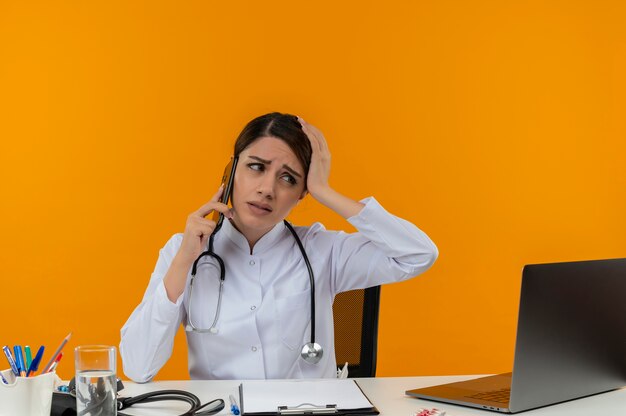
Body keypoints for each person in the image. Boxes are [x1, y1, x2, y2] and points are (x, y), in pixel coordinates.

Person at [120, 112, 438, 382]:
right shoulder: (184, 251)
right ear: (231, 172)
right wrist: (182, 263)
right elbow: (138, 367)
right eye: (256, 167)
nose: (267, 189)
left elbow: (419, 254)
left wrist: (325, 191)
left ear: (302, 193)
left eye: (288, 179)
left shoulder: (322, 250)